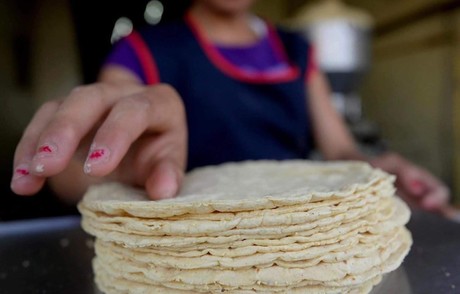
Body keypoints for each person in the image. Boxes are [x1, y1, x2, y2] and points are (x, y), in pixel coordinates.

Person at [11, 0, 449, 212]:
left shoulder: (297, 50)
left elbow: (339, 150)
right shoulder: (143, 50)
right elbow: (76, 170)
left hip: (296, 239)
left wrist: (378, 171)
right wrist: (87, 158)